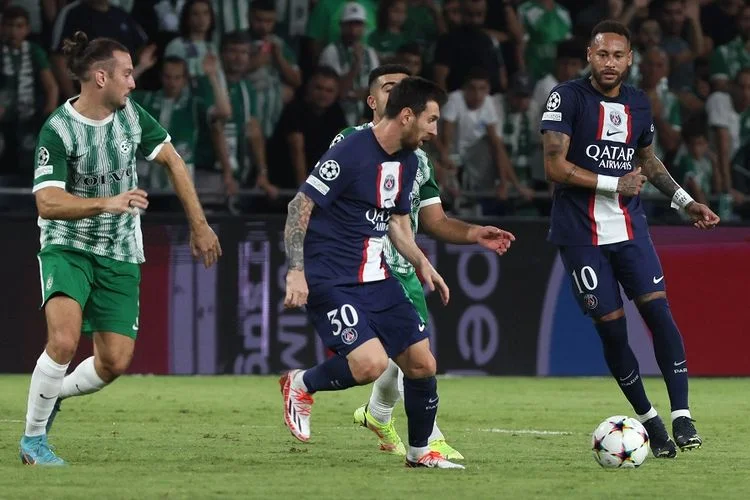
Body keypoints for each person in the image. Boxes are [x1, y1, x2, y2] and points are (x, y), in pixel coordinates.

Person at [19, 31, 221, 466]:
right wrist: (105, 203)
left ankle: (54, 394)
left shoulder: (131, 116)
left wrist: (199, 225)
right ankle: (33, 442)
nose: (133, 82)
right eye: (126, 74)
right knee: (63, 340)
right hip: (68, 246)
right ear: (100, 77)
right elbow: (47, 202)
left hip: (120, 249)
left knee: (114, 362)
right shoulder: (58, 129)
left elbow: (173, 161)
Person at [540, 20, 719, 459]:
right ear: (589, 55)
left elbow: (647, 160)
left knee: (659, 314)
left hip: (629, 229)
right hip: (580, 234)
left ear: (630, 59)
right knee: (613, 332)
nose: (610, 63)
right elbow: (554, 166)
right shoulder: (566, 97)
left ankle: (682, 416)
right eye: (602, 54)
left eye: (618, 56)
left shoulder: (639, 102)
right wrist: (612, 184)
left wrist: (684, 201)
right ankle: (650, 420)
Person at [329, 64, 515, 460]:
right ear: (372, 101)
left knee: (410, 358)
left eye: (405, 88)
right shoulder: (349, 141)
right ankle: (427, 438)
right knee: (409, 358)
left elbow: (435, 221)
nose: (400, 94)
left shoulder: (418, 160)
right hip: (361, 267)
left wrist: (474, 233)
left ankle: (379, 414)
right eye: (389, 88)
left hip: (403, 268)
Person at [280, 77, 463, 469]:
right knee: (369, 365)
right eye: (431, 120)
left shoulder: (408, 161)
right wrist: (296, 271)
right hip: (330, 277)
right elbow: (299, 207)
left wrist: (421, 262)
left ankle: (419, 453)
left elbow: (395, 221)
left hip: (377, 277)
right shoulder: (350, 151)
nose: (435, 130)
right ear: (407, 115)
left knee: (422, 364)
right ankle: (300, 384)